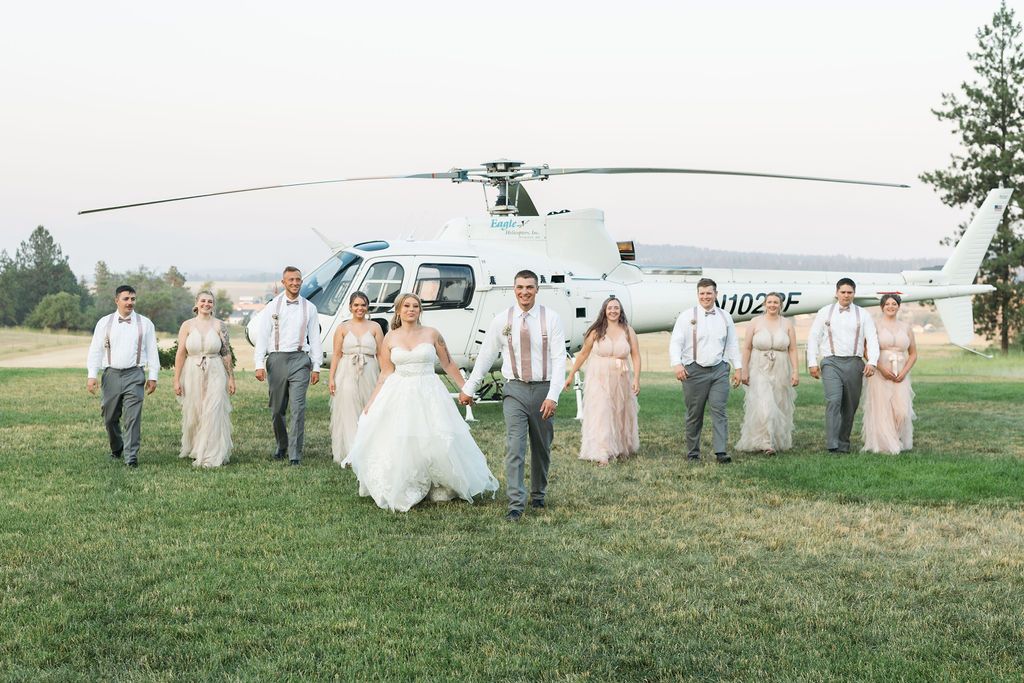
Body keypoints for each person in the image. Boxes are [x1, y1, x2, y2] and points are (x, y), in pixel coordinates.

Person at [343, 293, 498, 512]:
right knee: (403, 436)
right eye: (406, 306)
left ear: (420, 310)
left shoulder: (432, 334)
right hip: (399, 391)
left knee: (433, 435)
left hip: (429, 391)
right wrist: (372, 401)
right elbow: (386, 373)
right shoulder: (390, 338)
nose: (411, 309)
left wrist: (466, 387)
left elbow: (448, 363)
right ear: (399, 310)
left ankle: (438, 483)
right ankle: (408, 481)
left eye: (415, 306)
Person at [460, 269, 567, 521]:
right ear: (514, 289)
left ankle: (538, 494)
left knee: (542, 447)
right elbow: (486, 355)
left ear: (537, 289)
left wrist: (553, 395)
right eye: (520, 287)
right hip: (514, 390)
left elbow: (559, 358)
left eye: (529, 287)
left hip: (543, 389)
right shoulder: (502, 320)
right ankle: (516, 504)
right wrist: (469, 387)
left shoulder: (551, 318)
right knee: (514, 446)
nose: (524, 292)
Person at [252, 266, 323, 465]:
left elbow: (315, 338)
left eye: (298, 279)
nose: (294, 283)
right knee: (277, 409)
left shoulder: (310, 308)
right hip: (277, 359)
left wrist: (316, 366)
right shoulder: (273, 306)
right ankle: (282, 445)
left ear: (302, 281)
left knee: (298, 408)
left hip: (301, 359)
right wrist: (259, 363)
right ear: (283, 282)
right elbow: (263, 335)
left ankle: (295, 454)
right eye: (290, 280)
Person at [668, 278, 742, 463]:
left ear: (716, 294)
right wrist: (677, 364)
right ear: (698, 295)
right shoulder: (686, 316)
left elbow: (732, 344)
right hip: (693, 371)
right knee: (695, 414)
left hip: (719, 370)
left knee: (719, 410)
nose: (705, 297)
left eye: (709, 293)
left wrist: (738, 367)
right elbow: (676, 342)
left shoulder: (726, 317)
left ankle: (721, 452)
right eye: (702, 293)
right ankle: (693, 453)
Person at [86, 285, 159, 468]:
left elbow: (152, 351)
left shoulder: (145, 324)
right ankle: (117, 447)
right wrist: (92, 375)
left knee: (132, 418)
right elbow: (95, 350)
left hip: (135, 374)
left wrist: (153, 376)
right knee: (109, 417)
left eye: (133, 299)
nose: (130, 302)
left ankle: (131, 457)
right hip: (111, 374)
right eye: (126, 299)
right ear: (116, 300)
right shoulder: (104, 323)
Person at [563, 296, 640, 466]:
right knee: (602, 411)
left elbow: (635, 354)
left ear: (620, 311)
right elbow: (583, 354)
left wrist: (636, 378)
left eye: (616, 308)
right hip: (598, 377)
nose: (613, 311)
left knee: (620, 413)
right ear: (604, 310)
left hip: (621, 378)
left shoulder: (628, 331)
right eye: (610, 308)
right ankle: (602, 452)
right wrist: (570, 375)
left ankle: (619, 447)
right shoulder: (596, 331)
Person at [807, 277, 880, 454]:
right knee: (833, 400)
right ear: (837, 293)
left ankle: (843, 443)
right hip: (831, 362)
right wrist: (812, 362)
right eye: (843, 292)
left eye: (849, 292)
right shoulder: (825, 312)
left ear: (854, 294)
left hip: (855, 363)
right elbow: (813, 337)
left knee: (850, 406)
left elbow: (872, 339)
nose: (846, 295)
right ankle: (832, 444)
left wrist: (872, 362)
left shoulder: (863, 314)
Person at [172, 290, 235, 468]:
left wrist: (231, 379)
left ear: (213, 305)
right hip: (192, 371)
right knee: (196, 411)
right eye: (203, 301)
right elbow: (180, 353)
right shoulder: (187, 325)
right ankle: (196, 447)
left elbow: (226, 353)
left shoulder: (220, 325)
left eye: (210, 301)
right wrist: (176, 379)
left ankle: (211, 454)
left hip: (215, 370)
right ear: (196, 303)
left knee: (213, 410)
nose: (206, 304)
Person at [735, 292, 799, 454]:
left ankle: (775, 439)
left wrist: (796, 372)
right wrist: (743, 370)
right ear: (764, 304)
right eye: (769, 302)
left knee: (779, 403)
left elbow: (792, 349)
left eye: (776, 302)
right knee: (764, 404)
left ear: (780, 305)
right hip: (758, 367)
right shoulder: (755, 322)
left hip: (781, 369)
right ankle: (765, 442)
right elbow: (747, 347)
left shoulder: (787, 324)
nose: (772, 305)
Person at [328, 291, 383, 465]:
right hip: (346, 370)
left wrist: (385, 376)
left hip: (370, 370)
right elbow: (336, 354)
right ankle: (351, 452)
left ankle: (368, 450)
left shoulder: (375, 327)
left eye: (363, 305)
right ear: (350, 307)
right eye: (356, 305)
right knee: (348, 408)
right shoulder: (343, 328)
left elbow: (381, 354)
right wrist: (331, 378)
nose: (360, 308)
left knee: (369, 409)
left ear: (367, 307)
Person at [862, 294, 917, 454]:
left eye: (894, 304)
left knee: (902, 411)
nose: (891, 306)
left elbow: (913, 353)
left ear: (898, 307)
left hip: (901, 372)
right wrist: (881, 369)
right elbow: (866, 350)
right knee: (882, 407)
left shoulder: (906, 327)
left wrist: (904, 372)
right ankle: (884, 443)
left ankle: (898, 437)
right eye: (887, 304)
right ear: (882, 307)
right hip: (880, 371)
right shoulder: (874, 326)